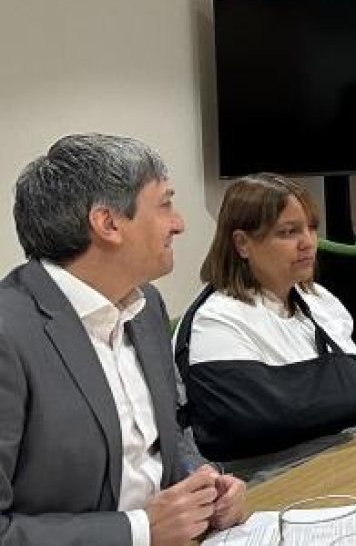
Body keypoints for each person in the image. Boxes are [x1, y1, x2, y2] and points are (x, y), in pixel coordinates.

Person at [0, 133, 246, 546]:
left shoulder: (145, 305)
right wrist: (140, 530)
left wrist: (205, 486)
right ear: (108, 223)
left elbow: (166, 439)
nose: (179, 224)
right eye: (164, 204)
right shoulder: (9, 334)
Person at [176, 173, 356, 480]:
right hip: (279, 480)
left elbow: (355, 378)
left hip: (350, 458)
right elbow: (252, 422)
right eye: (288, 232)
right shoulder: (216, 322)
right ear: (242, 243)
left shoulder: (316, 300)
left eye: (311, 228)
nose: (308, 243)